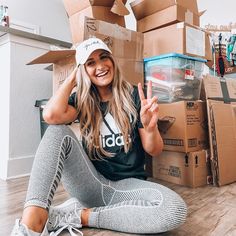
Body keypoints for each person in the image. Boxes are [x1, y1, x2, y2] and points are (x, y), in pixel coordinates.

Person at [11, 37, 187, 236]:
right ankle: (32, 224)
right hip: (91, 183)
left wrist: (150, 127)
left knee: (174, 210)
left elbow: (153, 149)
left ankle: (79, 215)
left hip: (127, 185)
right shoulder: (81, 99)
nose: (100, 66)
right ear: (83, 70)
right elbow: (50, 115)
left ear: (112, 61)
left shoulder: (134, 95)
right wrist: (73, 78)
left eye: (104, 58)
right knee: (56, 130)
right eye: (90, 63)